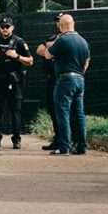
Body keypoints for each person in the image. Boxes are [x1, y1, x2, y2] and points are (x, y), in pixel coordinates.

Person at [0, 17, 33, 149]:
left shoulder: (19, 42)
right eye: (2, 26)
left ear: (12, 27)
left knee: (15, 111)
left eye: (7, 26)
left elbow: (30, 60)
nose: (5, 29)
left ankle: (16, 139)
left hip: (13, 81)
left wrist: (16, 56)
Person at [45, 14, 91, 156]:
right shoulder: (83, 41)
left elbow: (47, 55)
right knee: (79, 114)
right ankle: (81, 146)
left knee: (63, 112)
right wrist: (79, 73)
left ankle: (64, 146)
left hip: (65, 79)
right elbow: (86, 62)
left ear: (62, 26)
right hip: (79, 79)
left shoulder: (62, 40)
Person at [36, 14, 65, 151]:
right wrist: (51, 49)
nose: (58, 24)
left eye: (60, 21)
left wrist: (51, 49)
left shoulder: (67, 37)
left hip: (62, 78)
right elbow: (40, 50)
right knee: (53, 110)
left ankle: (65, 140)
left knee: (63, 110)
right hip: (51, 78)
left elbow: (54, 50)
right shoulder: (52, 37)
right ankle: (57, 138)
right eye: (57, 22)